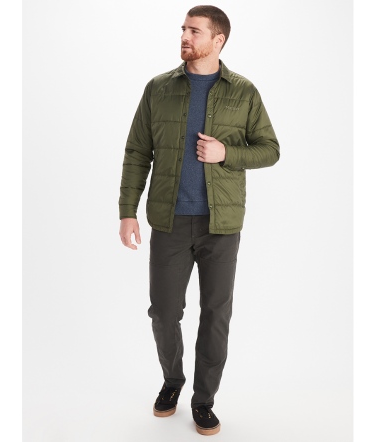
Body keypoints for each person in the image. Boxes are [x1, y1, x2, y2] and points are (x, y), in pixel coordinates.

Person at [118, 5, 279, 436]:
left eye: (194, 31)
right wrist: (127, 211)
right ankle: (172, 380)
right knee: (163, 312)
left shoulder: (244, 92)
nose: (184, 36)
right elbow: (137, 152)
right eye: (183, 29)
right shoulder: (158, 88)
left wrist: (227, 153)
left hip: (220, 226)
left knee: (215, 315)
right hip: (169, 222)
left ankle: (204, 400)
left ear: (218, 40)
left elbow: (270, 149)